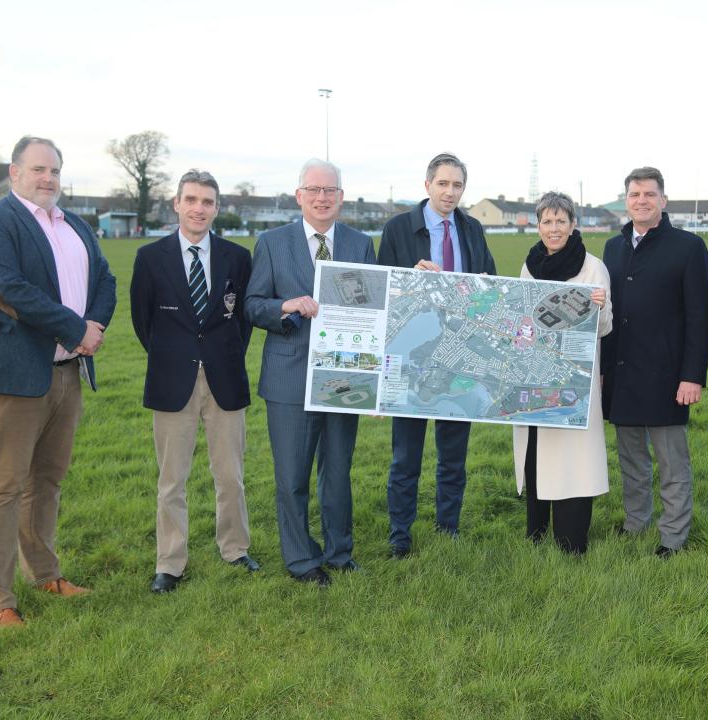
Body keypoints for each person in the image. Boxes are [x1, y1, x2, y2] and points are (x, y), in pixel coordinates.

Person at [0, 136, 117, 626]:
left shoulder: (74, 224)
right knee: (3, 487)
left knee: (46, 481)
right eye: (39, 169)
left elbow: (104, 279)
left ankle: (45, 572)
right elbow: (7, 288)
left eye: (55, 171)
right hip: (8, 375)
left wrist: (96, 328)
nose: (48, 179)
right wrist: (74, 327)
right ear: (15, 171)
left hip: (66, 371)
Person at [245, 158, 376, 586]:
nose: (322, 198)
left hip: (344, 376)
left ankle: (340, 552)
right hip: (289, 375)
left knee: (338, 471)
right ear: (299, 195)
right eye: (314, 190)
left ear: (341, 197)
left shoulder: (360, 244)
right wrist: (285, 306)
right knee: (292, 475)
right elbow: (252, 304)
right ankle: (302, 559)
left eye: (330, 191)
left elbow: (375, 312)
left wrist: (374, 382)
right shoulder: (272, 242)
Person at [130, 170, 258, 594]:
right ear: (177, 204)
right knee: (171, 481)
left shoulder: (238, 258)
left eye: (207, 201)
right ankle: (170, 562)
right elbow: (142, 320)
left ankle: (235, 548)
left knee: (231, 476)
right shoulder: (150, 257)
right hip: (172, 379)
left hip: (225, 377)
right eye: (191, 200)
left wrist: (219, 357)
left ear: (217, 208)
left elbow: (243, 320)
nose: (198, 208)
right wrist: (176, 358)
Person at [377, 152, 497, 557]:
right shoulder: (397, 229)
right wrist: (413, 280)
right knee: (405, 455)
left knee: (453, 455)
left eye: (458, 185)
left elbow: (492, 284)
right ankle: (400, 534)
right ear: (427, 185)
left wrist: (481, 286)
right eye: (443, 184)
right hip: (413, 354)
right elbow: (385, 291)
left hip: (457, 354)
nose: (450, 192)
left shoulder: (473, 229)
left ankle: (448, 527)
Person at [601, 166, 708, 558]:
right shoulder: (613, 248)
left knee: (672, 464)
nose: (642, 201)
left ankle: (673, 536)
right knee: (631, 459)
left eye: (650, 194)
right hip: (622, 373)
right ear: (626, 201)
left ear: (663, 200)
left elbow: (701, 317)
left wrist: (692, 376)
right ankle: (635, 522)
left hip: (668, 376)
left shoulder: (688, 246)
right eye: (635, 194)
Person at [513, 192, 612, 554]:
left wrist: (600, 307)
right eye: (546, 222)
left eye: (560, 221)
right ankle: (536, 532)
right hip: (535, 374)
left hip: (574, 381)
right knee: (536, 451)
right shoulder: (530, 265)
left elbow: (604, 326)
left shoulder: (591, 266)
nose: (553, 229)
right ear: (538, 226)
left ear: (572, 225)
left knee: (572, 457)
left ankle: (571, 540)